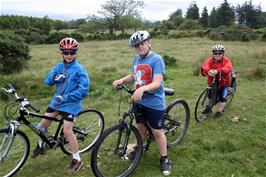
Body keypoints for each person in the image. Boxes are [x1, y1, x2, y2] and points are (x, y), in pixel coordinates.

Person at [112, 30, 172, 176]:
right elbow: (134, 75)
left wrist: (143, 88)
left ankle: (164, 158)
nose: (139, 47)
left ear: (149, 43)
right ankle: (139, 149)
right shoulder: (136, 59)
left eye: (142, 44)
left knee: (157, 132)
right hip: (139, 101)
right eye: (136, 46)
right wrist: (122, 80)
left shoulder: (156, 59)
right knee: (140, 128)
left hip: (154, 102)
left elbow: (157, 83)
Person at [31, 37, 90, 175]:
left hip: (71, 104)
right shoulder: (58, 66)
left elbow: (84, 90)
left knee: (67, 131)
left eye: (72, 52)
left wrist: (65, 97)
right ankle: (42, 145)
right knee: (41, 127)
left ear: (76, 53)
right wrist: (53, 78)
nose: (69, 55)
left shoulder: (79, 70)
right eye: (66, 52)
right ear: (61, 53)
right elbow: (47, 82)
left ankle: (77, 159)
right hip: (57, 102)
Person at [201, 44, 232, 118]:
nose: (217, 55)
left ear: (223, 54)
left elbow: (228, 68)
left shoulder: (226, 61)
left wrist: (218, 71)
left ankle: (219, 111)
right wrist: (208, 71)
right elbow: (205, 65)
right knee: (210, 95)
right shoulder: (210, 60)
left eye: (220, 53)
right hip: (213, 82)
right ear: (213, 54)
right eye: (215, 53)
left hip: (224, 83)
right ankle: (209, 108)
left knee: (222, 97)